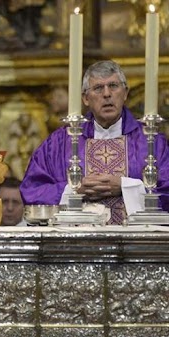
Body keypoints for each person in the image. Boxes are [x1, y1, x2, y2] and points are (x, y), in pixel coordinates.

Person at [20, 60, 169, 224]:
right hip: (77, 244)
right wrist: (74, 190)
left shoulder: (151, 142)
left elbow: (166, 192)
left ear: (125, 93)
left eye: (113, 86)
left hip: (136, 244)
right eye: (98, 88)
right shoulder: (59, 143)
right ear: (85, 98)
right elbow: (32, 191)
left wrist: (125, 187)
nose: (106, 94)